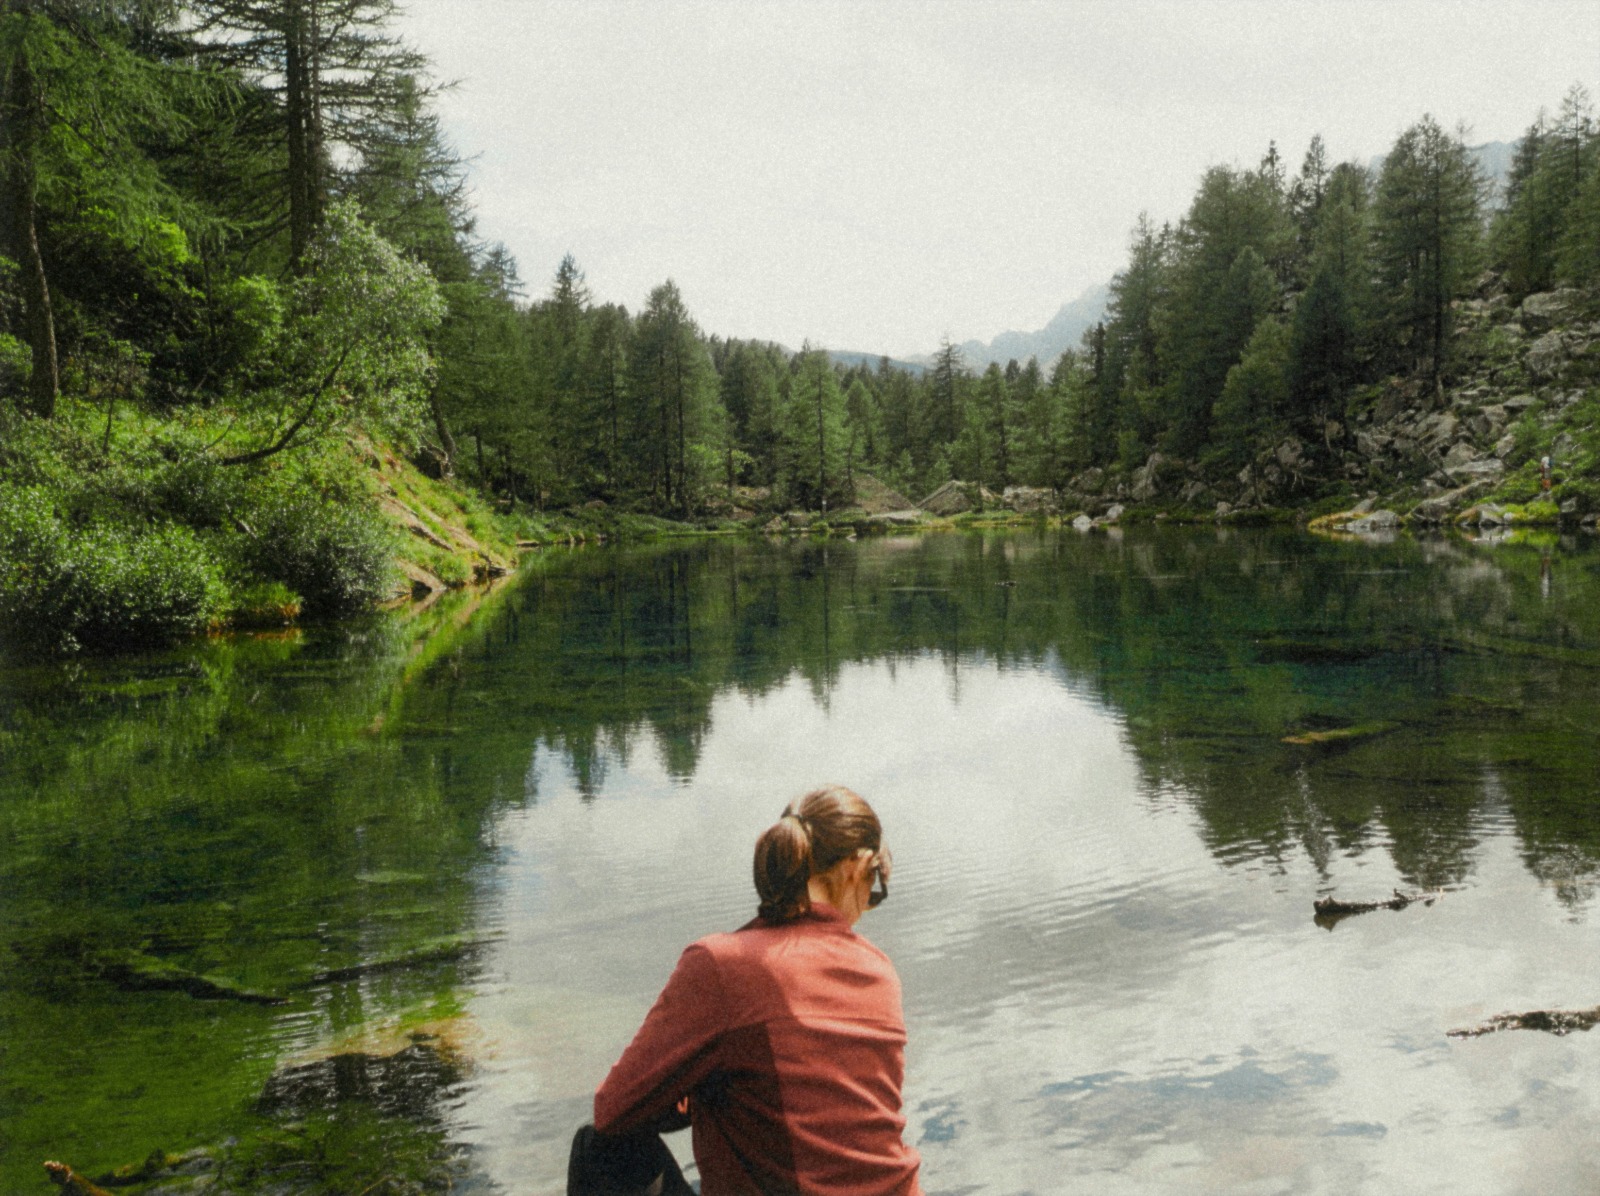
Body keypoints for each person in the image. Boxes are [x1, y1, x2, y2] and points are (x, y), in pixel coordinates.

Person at [574, 785, 922, 1196]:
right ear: (856, 866)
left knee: (598, 1147)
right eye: (875, 885)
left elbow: (614, 1110)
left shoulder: (722, 965)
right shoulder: (880, 970)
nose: (868, 903)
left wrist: (697, 1085)